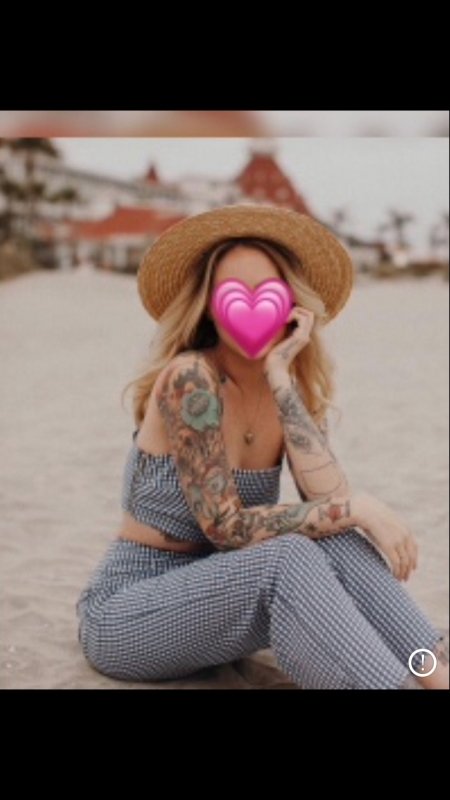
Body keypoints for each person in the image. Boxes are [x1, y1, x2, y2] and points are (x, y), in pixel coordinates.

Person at [76, 204, 448, 689]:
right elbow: (226, 528)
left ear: (293, 304)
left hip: (219, 598)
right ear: (208, 305)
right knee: (291, 554)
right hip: (131, 610)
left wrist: (281, 379)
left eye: (268, 292)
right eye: (232, 293)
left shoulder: (286, 391)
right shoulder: (191, 379)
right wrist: (356, 508)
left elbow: (329, 500)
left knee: (335, 536)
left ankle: (435, 671)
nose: (250, 306)